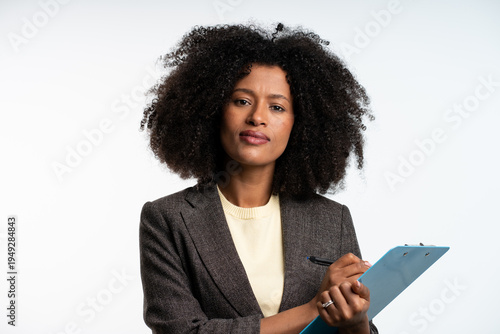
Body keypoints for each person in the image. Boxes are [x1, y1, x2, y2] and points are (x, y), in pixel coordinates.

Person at [139, 23, 378, 334]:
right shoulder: (168, 219)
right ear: (212, 109)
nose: (257, 117)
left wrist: (356, 321)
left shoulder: (333, 219)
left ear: (301, 125)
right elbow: (182, 331)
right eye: (241, 101)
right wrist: (312, 310)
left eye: (277, 107)